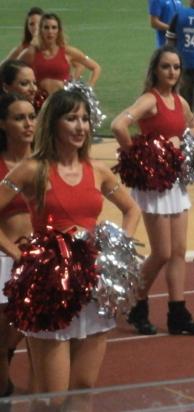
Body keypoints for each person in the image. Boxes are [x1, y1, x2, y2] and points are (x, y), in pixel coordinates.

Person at [0, 89, 140, 396]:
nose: (80, 127)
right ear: (53, 123)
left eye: (85, 119)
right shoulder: (32, 169)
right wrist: (17, 254)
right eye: (71, 118)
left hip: (91, 285)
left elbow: (132, 209)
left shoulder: (98, 171)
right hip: (48, 288)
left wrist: (117, 247)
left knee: (83, 387)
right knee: (53, 392)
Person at [111, 46, 194, 337]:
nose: (172, 72)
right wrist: (138, 156)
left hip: (175, 182)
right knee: (162, 252)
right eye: (166, 66)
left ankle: (177, 313)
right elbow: (119, 125)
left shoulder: (179, 101)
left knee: (178, 251)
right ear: (156, 70)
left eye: (176, 67)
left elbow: (192, 125)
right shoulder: (149, 100)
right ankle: (135, 303)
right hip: (154, 185)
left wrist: (185, 144)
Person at [0, 93, 35, 398]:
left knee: (33, 332)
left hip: (41, 263)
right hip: (5, 261)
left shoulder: (45, 161)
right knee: (3, 337)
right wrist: (14, 253)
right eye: (19, 117)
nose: (28, 124)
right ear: (3, 124)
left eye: (32, 117)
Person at [18, 13, 101, 96]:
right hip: (38, 103)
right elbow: (12, 70)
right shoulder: (31, 52)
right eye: (46, 28)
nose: (50, 32)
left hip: (62, 103)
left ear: (59, 30)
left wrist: (89, 87)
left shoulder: (68, 51)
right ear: (40, 30)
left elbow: (95, 67)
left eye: (54, 28)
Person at [166, 0, 194, 138]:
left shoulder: (179, 15)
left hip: (183, 68)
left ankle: (182, 140)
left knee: (183, 106)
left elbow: (170, 42)